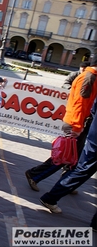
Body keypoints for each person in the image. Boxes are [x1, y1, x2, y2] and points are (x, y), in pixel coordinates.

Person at [25, 58, 97, 192]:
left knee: (72, 157)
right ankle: (35, 175)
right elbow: (79, 104)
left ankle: (66, 184)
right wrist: (77, 126)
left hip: (80, 123)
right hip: (76, 123)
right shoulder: (89, 77)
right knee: (65, 157)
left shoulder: (91, 76)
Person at [39, 95, 97, 216]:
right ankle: (37, 179)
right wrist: (77, 125)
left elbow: (91, 107)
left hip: (90, 131)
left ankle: (48, 192)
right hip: (80, 127)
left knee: (79, 166)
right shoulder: (88, 78)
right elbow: (82, 102)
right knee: (71, 161)